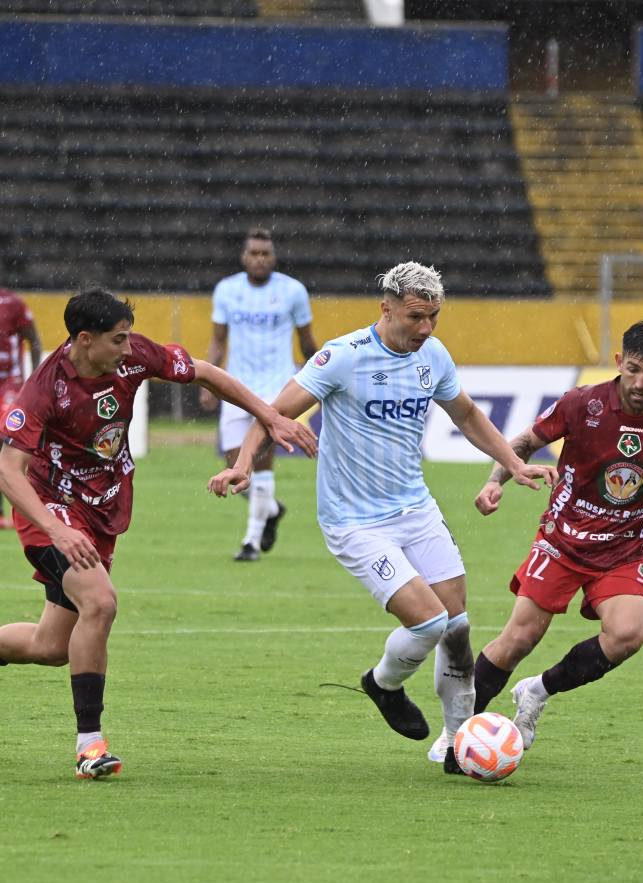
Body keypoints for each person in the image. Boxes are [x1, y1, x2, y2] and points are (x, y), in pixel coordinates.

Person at [208, 262, 557, 775]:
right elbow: (274, 412)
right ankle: (383, 684)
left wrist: (512, 462)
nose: (426, 329)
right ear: (386, 308)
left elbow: (467, 415)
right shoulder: (342, 358)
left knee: (457, 626)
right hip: (354, 521)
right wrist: (242, 464)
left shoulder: (432, 356)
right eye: (416, 316)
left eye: (434, 317)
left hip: (415, 508)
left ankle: (457, 742)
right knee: (430, 621)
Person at [0, 288, 316, 780]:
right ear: (84, 340)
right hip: (51, 511)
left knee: (51, 646)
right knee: (100, 603)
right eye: (117, 340)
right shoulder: (45, 388)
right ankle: (90, 745)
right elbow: (8, 471)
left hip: (101, 509)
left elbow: (207, 373)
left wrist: (270, 416)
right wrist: (54, 531)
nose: (129, 349)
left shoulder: (133, 357)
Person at [428, 320, 643, 760]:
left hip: (626, 550)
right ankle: (457, 731)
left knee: (628, 634)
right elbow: (524, 441)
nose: (639, 382)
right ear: (619, 362)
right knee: (518, 639)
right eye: (632, 369)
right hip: (563, 542)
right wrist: (495, 480)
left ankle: (537, 691)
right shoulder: (583, 403)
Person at [200, 226, 317, 562]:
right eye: (254, 253)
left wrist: (320, 381)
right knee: (234, 463)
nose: (260, 259)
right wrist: (208, 381)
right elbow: (218, 339)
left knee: (261, 464)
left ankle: (250, 543)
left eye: (265, 254)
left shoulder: (293, 291)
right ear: (244, 256)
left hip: (277, 388)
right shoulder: (226, 290)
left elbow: (307, 342)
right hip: (236, 387)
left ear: (274, 257)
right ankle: (271, 509)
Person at [0, 287, 42, 528]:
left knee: (10, 440)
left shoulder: (12, 302)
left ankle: (30, 506)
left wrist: (36, 380)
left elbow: (34, 340)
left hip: (10, 383)